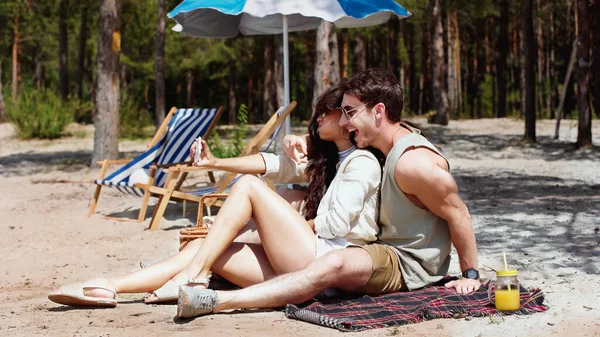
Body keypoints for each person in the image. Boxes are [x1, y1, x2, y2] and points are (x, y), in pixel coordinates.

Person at [48, 84, 384, 314]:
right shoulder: (330, 161)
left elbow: (336, 225)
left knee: (250, 188)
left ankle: (192, 277)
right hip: (303, 266)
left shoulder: (361, 162)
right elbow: (272, 165)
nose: (319, 119)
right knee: (207, 247)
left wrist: (296, 221)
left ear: (346, 123)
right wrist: (213, 163)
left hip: (325, 265)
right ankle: (110, 286)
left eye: (329, 114)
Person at [177, 68, 480, 317]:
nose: (346, 122)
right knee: (236, 244)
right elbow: (311, 157)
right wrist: (300, 140)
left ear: (378, 111)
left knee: (334, 262)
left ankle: (217, 302)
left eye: (349, 112)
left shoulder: (414, 164)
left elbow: (458, 213)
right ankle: (188, 284)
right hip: (381, 246)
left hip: (406, 263)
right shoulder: (380, 144)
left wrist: (469, 275)